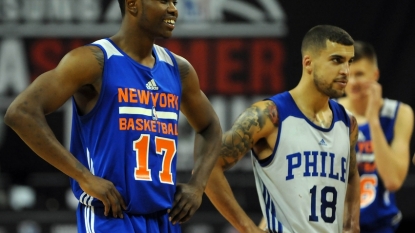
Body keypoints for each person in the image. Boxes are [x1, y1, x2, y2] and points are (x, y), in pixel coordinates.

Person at [4, 0, 222, 232]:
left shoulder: (178, 69)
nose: (173, 9)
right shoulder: (93, 60)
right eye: (163, 1)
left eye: (174, 2)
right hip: (110, 217)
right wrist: (84, 177)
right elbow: (21, 112)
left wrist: (197, 186)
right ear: (133, 5)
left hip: (164, 219)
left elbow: (211, 128)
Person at [204, 25, 360, 233]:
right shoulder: (268, 115)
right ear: (308, 63)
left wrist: (352, 224)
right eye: (336, 60)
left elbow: (351, 175)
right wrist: (248, 228)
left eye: (349, 62)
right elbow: (207, 168)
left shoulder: (347, 123)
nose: (346, 72)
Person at [338, 41, 414, 233]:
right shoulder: (330, 112)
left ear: (375, 75)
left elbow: (393, 181)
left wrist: (373, 120)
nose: (353, 81)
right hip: (338, 226)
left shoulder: (399, 113)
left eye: (360, 74)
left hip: (381, 226)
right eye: (348, 74)